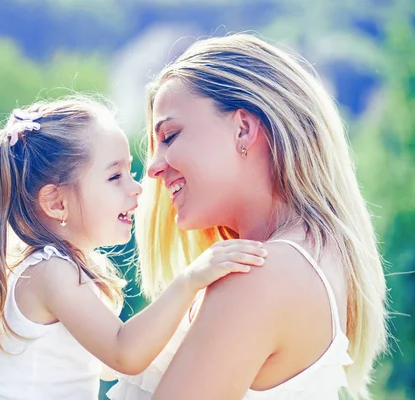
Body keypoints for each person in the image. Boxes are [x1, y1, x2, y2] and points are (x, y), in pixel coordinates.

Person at [108, 34, 388, 400]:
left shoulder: (256, 276)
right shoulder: (315, 259)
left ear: (243, 128)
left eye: (170, 135)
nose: (155, 168)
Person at [0, 95, 267, 400]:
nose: (137, 188)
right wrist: (190, 280)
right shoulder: (51, 271)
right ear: (56, 202)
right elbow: (123, 354)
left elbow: (107, 364)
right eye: (115, 176)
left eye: (131, 171)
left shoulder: (55, 267)